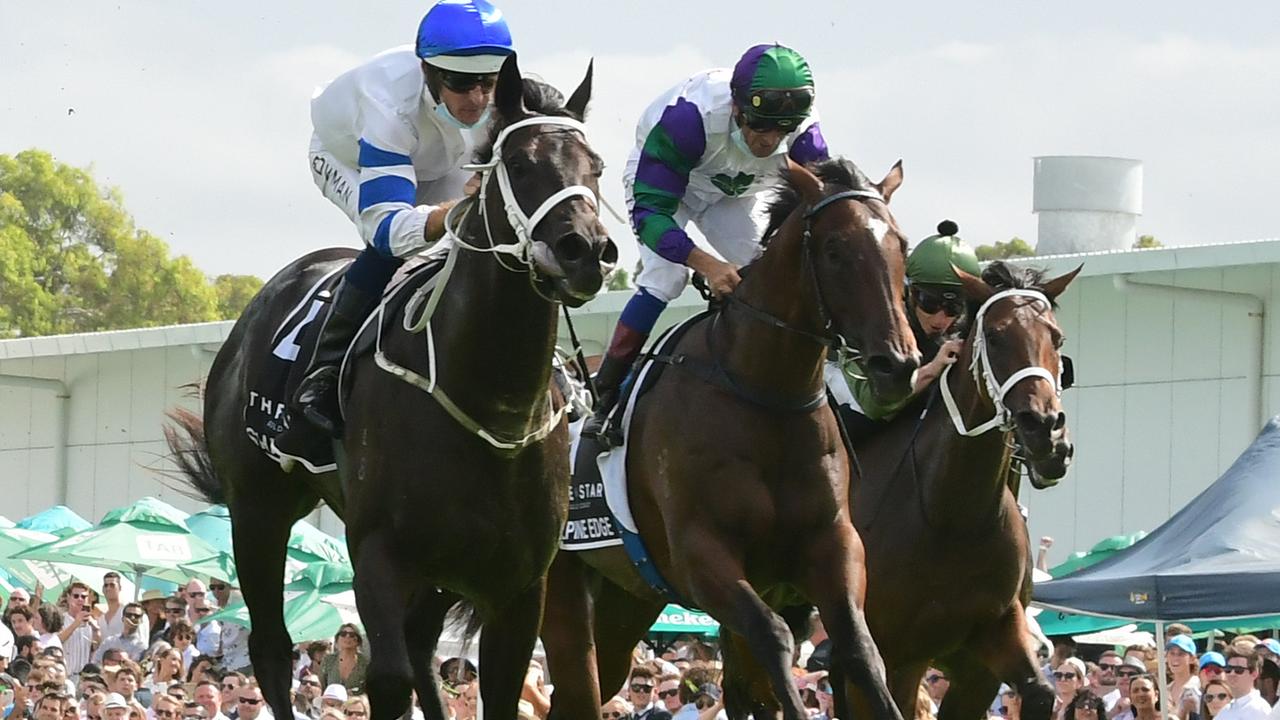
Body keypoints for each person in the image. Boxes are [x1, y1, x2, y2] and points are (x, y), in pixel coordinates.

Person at [286, 0, 517, 437]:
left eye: (488, 82)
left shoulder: (502, 93)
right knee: (396, 248)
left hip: (441, 161)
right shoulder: (386, 105)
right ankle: (323, 372)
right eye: (462, 84)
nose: (477, 99)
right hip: (350, 158)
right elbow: (389, 230)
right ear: (428, 72)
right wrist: (465, 208)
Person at [583, 42, 831, 443]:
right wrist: (707, 264)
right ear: (736, 107)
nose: (769, 141)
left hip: (737, 191)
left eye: (781, 129)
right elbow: (652, 217)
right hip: (670, 188)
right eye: (759, 124)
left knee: (767, 269)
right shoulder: (687, 119)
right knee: (666, 278)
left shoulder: (805, 133)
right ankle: (606, 394)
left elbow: (819, 207)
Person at [829, 220, 981, 437]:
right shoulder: (871, 328)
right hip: (848, 417)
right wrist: (931, 370)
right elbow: (873, 406)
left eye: (952, 308)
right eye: (930, 303)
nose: (940, 319)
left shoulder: (959, 335)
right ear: (910, 293)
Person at [1216, 647, 1271, 720]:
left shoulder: (1260, 710)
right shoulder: (1225, 710)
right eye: (1228, 669)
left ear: (1254, 674)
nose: (1232, 674)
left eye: (1238, 670)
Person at [58, 584, 99, 676]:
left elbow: (96, 648)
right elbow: (58, 640)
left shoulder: (92, 621)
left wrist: (96, 631)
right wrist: (76, 623)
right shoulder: (60, 619)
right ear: (68, 598)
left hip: (83, 676)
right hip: (66, 674)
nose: (80, 599)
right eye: (76, 596)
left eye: (84, 597)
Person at [317, 626, 366, 695]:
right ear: (337, 639)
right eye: (343, 634)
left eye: (352, 635)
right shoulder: (328, 660)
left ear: (358, 641)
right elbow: (321, 685)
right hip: (330, 703)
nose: (347, 636)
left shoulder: (365, 663)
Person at [1168, 636, 1203, 720]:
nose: (1175, 658)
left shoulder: (1200, 687)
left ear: (1192, 659)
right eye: (1172, 653)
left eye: (1181, 654)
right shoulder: (1165, 689)